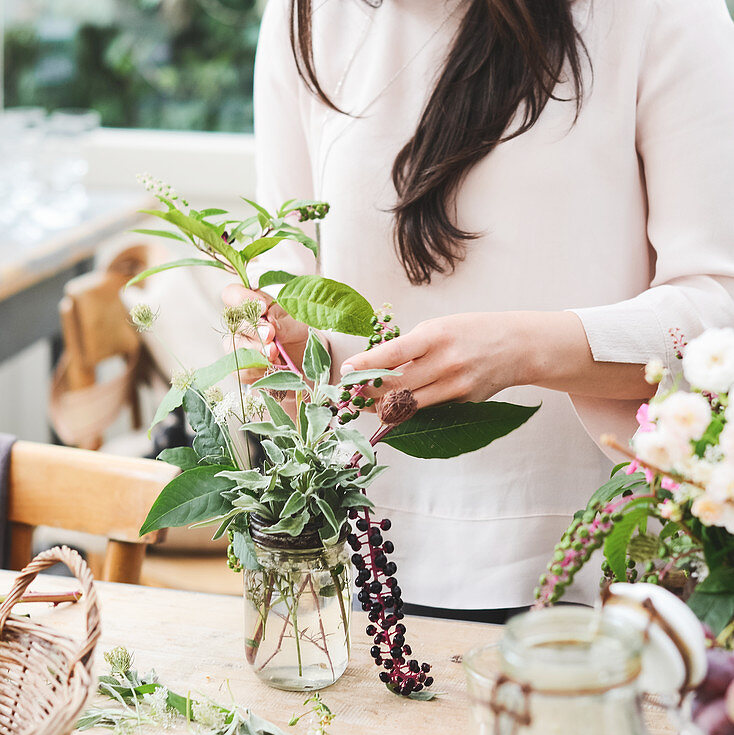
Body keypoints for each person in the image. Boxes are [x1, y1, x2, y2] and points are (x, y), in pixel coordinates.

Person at [226, 0, 734, 622]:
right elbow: (289, 263)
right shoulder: (305, 16)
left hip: (604, 563)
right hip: (353, 554)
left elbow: (719, 309)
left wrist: (521, 351)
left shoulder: (660, 16)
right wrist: (275, 340)